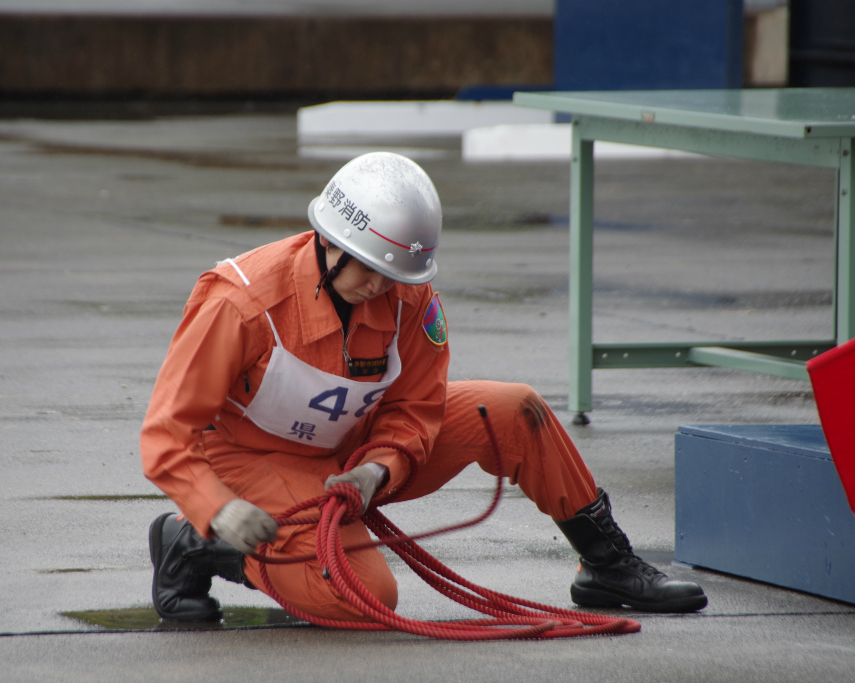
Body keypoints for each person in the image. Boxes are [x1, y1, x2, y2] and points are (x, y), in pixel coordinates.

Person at [140, 152, 707, 623]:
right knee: (365, 600)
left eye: (395, 273)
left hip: (351, 454)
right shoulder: (240, 305)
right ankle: (197, 545)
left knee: (513, 410)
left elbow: (416, 407)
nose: (380, 286)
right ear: (328, 241)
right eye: (367, 267)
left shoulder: (405, 295)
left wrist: (378, 469)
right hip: (251, 459)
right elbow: (167, 433)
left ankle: (609, 567)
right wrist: (219, 510)